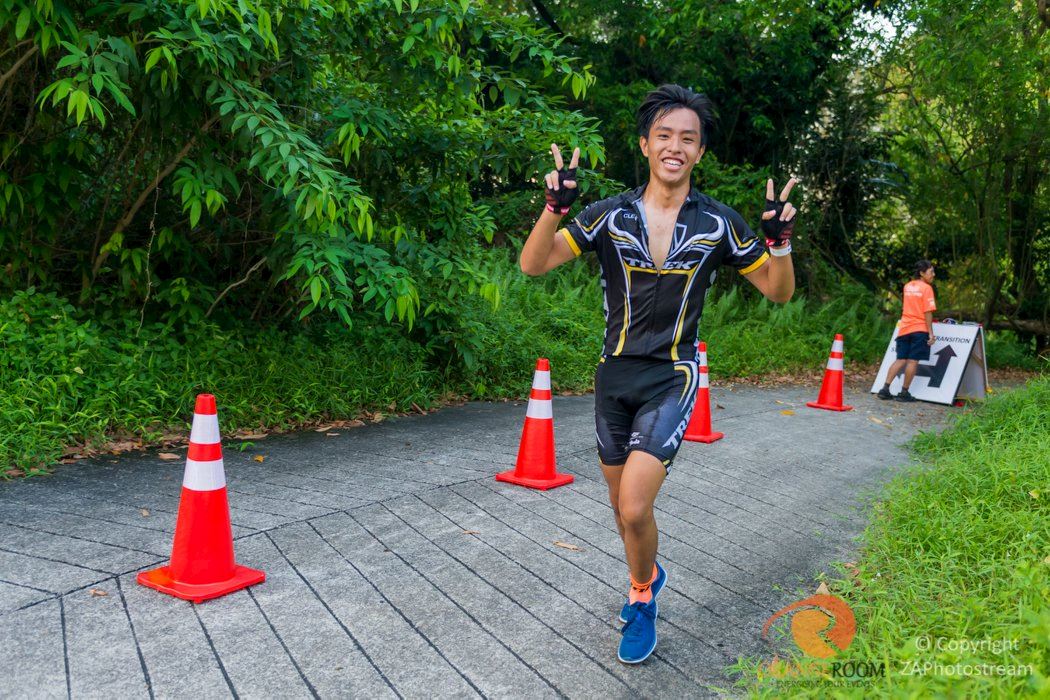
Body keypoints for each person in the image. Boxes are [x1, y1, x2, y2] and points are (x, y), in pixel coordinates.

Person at [519, 84, 797, 664]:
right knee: (623, 512)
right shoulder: (608, 215)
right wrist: (554, 211)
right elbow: (534, 264)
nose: (675, 146)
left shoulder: (720, 223)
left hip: (673, 376)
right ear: (646, 144)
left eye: (688, 139)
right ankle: (648, 572)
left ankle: (642, 596)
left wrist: (779, 244)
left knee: (637, 508)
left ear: (699, 153)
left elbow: (776, 290)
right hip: (613, 378)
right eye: (664, 135)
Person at [877, 260, 937, 402]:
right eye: (931, 272)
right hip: (919, 329)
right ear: (922, 273)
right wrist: (930, 333)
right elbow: (927, 312)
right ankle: (904, 393)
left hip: (904, 328)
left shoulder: (907, 286)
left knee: (900, 360)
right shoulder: (927, 288)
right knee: (912, 361)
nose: (933, 275)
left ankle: (885, 389)